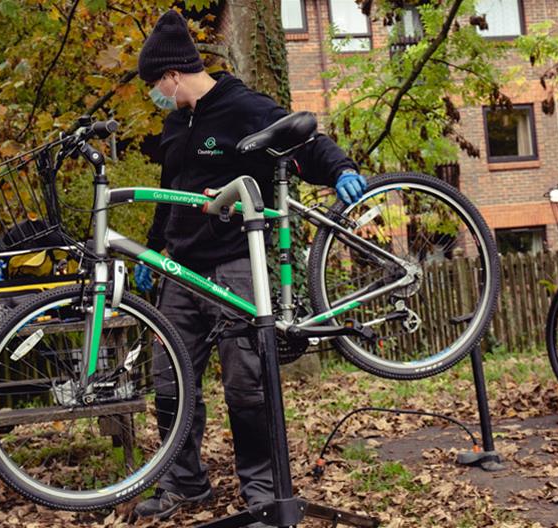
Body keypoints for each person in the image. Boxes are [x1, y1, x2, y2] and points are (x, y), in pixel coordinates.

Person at [132, 9, 367, 522]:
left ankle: (262, 491)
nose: (155, 94)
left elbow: (303, 140)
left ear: (174, 75)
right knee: (169, 383)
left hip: (237, 263)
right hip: (182, 268)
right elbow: (169, 194)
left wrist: (341, 168)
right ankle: (185, 484)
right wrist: (154, 249)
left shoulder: (242, 106)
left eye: (155, 84)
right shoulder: (175, 124)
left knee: (247, 385)